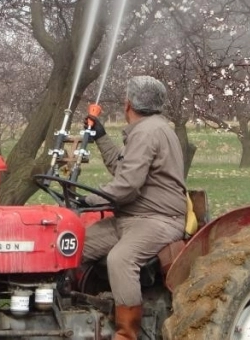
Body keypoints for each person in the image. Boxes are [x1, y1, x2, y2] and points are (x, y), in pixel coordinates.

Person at [82, 75, 188, 340]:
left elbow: (127, 186)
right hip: (131, 218)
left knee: (121, 259)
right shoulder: (150, 129)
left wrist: (90, 199)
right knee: (74, 245)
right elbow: (125, 170)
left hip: (158, 219)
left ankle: (127, 333)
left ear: (127, 102)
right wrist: (102, 138)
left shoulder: (147, 131)